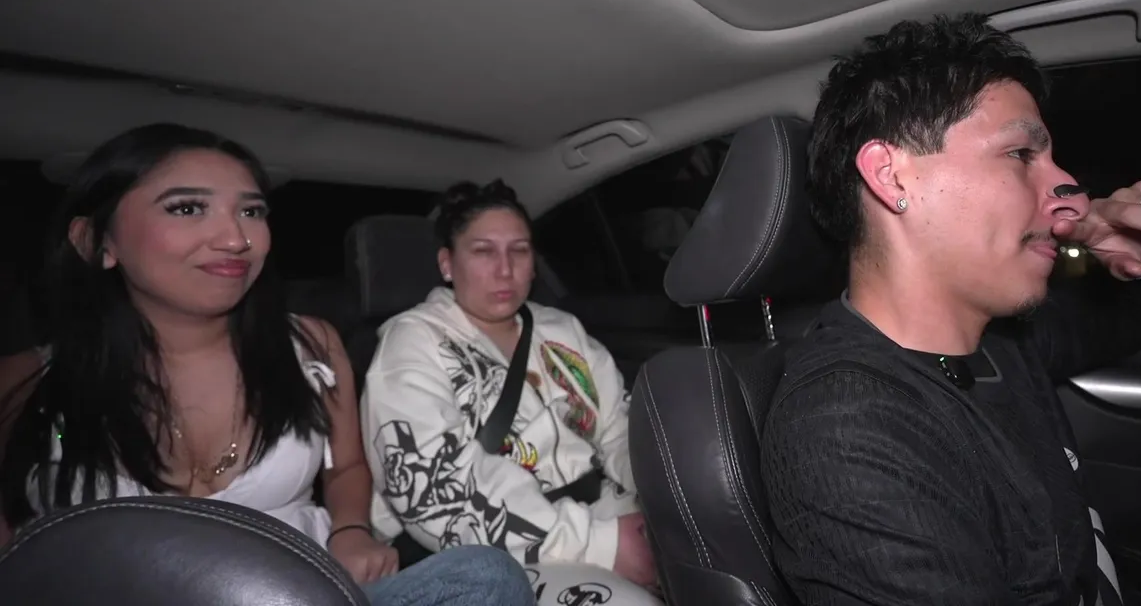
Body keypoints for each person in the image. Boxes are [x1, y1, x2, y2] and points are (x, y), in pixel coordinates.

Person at [761, 14, 1141, 605]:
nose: (1074, 195)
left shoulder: (1001, 341)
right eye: (1021, 153)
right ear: (891, 175)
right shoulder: (846, 426)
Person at [0, 123, 535, 606]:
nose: (236, 238)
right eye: (187, 209)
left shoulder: (312, 347)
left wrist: (350, 530)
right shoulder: (26, 382)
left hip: (300, 593)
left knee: (486, 575)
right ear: (97, 240)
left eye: (251, 212)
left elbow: (346, 466)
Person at [360, 180, 659, 600]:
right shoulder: (412, 344)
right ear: (447, 263)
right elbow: (438, 486)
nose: (505, 269)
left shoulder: (562, 329)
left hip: (604, 514)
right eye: (483, 251)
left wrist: (663, 500)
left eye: (519, 251)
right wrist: (601, 544)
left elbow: (618, 429)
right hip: (493, 550)